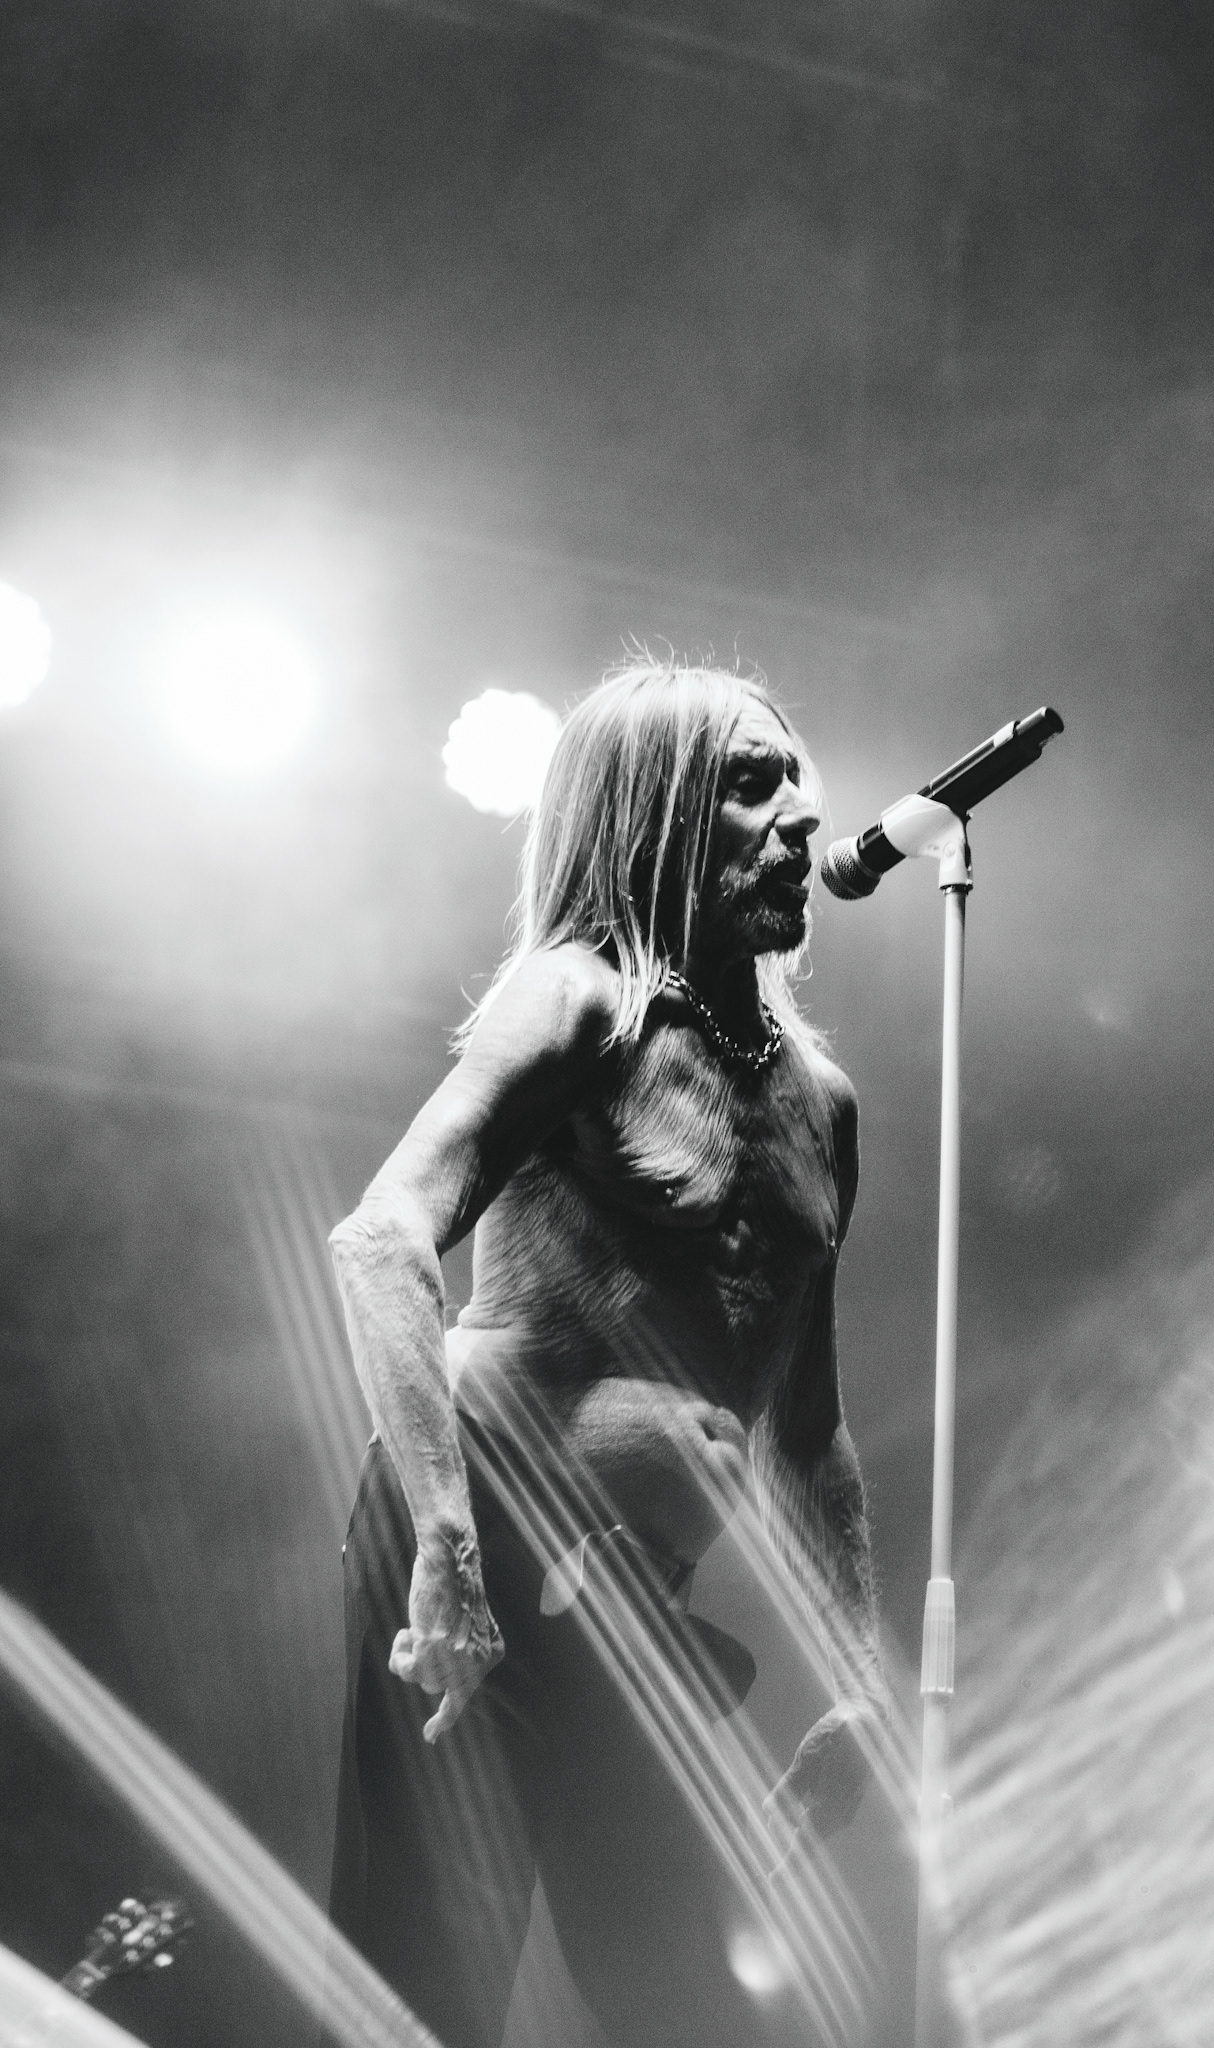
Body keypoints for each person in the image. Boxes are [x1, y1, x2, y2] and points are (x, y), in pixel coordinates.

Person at [327, 659, 889, 2048]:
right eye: (750, 785)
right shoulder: (579, 1003)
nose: (800, 815)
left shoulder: (821, 1102)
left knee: (681, 1997)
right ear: (655, 814)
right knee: (427, 1975)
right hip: (481, 1536)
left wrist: (863, 1681)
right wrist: (445, 1549)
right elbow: (380, 1238)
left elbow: (807, 1425)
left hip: (633, 1599)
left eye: (797, 779)